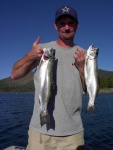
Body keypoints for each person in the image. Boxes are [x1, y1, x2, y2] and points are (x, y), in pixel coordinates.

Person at [11, 5, 87, 150]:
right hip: (39, 133)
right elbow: (15, 74)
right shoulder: (42, 50)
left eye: (70, 23)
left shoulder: (83, 55)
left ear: (77, 26)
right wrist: (29, 56)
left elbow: (89, 91)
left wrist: (82, 68)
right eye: (62, 23)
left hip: (72, 135)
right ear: (55, 26)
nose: (66, 27)